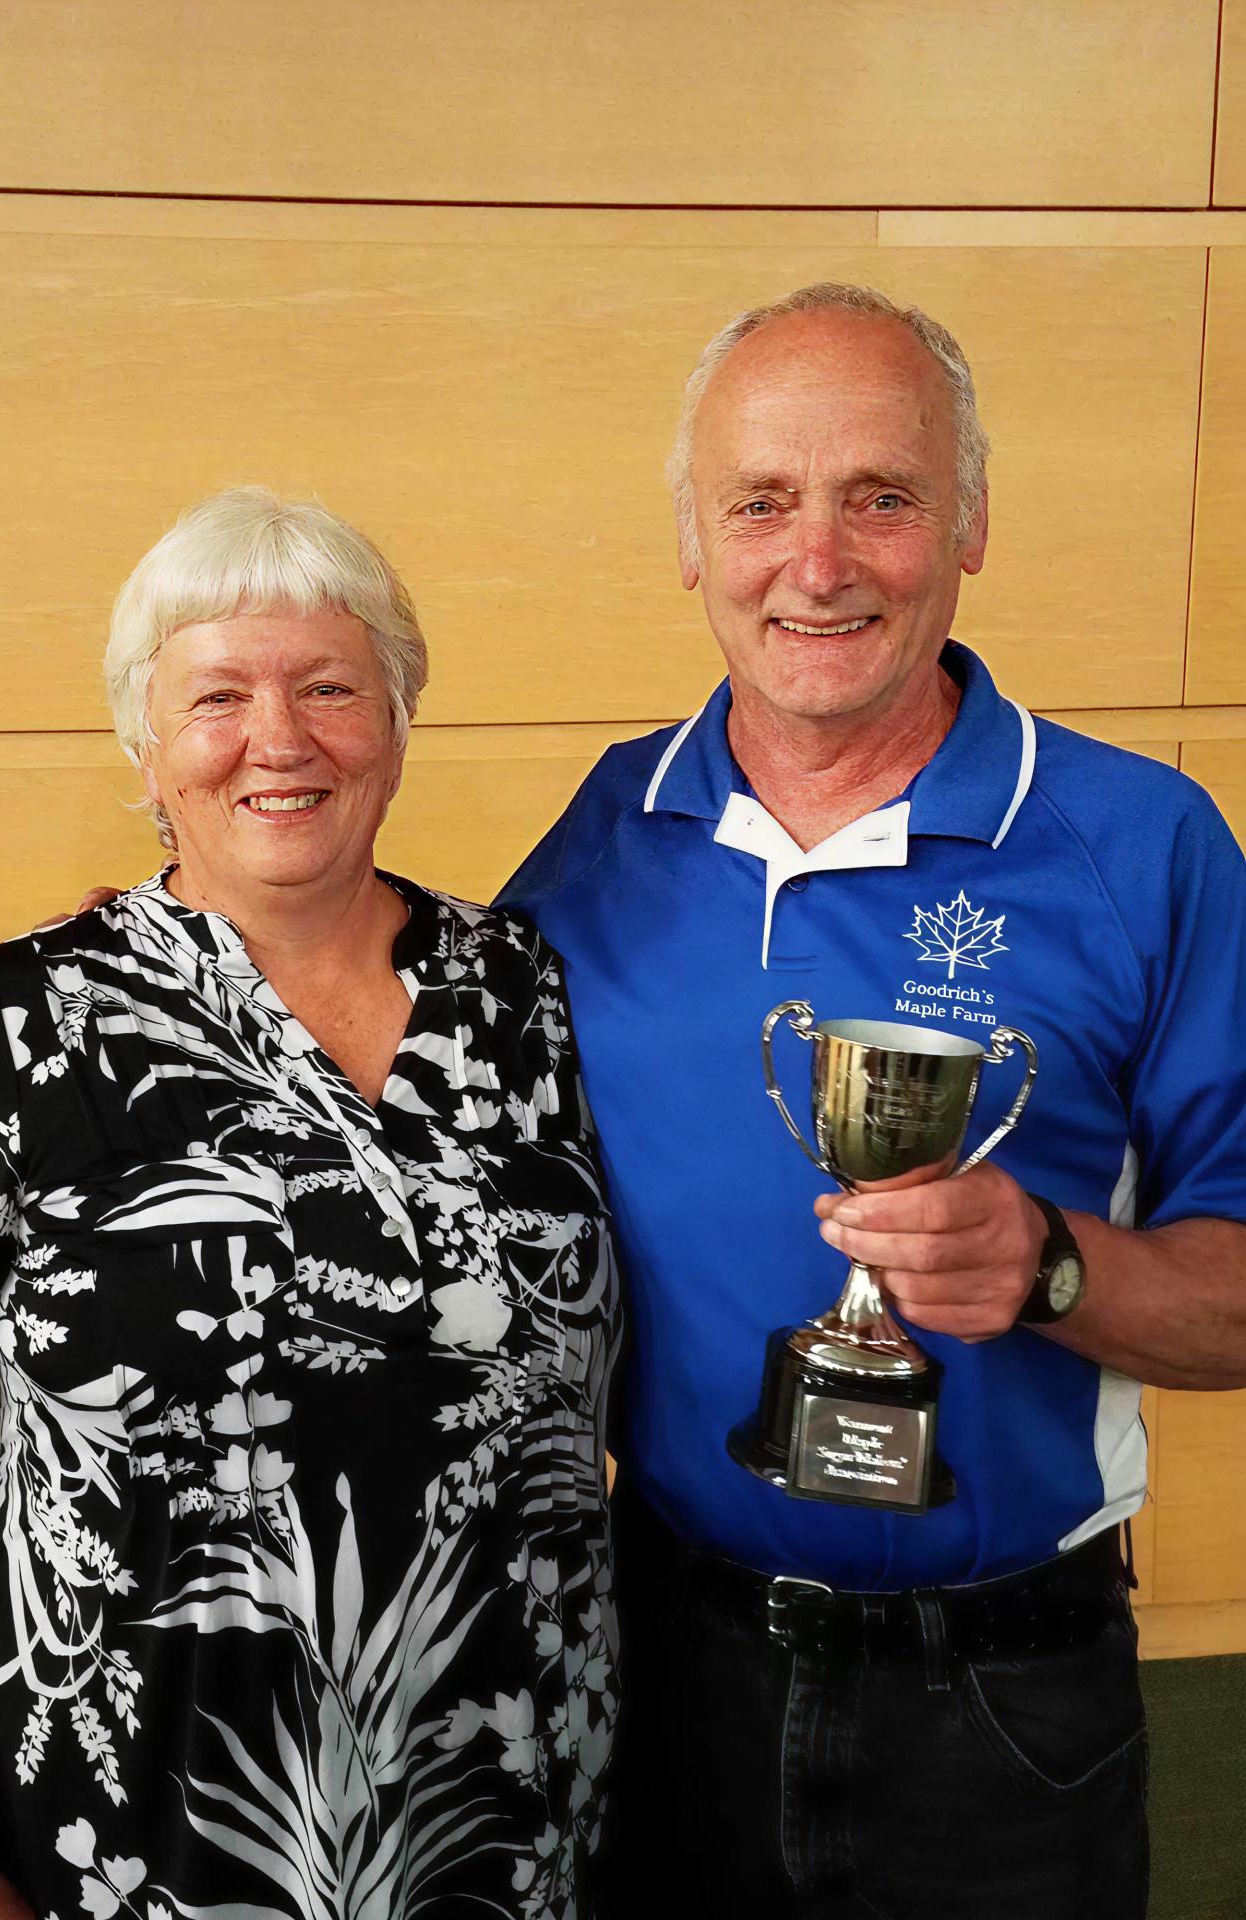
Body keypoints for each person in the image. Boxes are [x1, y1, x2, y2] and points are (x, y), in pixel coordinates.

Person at [502, 283, 1246, 1917]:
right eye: (761, 502)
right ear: (693, 541)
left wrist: (1054, 1269)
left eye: (882, 499)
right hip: (658, 1667)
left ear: (970, 524)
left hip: (1000, 1698)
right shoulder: (607, 835)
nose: (817, 563)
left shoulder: (1147, 847)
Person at [0, 489, 620, 1920]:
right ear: (146, 741)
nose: (280, 740)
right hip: (129, 1836)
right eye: (218, 697)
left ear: (399, 717)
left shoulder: (528, 1002)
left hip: (507, 1823)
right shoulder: (4, 1035)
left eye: (329, 688)